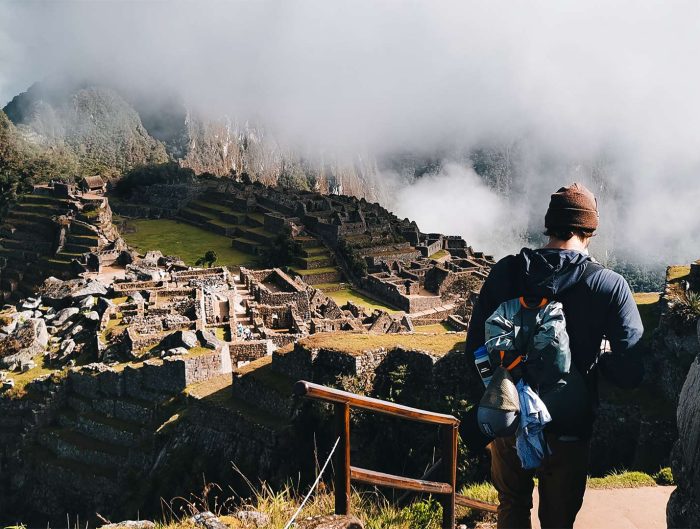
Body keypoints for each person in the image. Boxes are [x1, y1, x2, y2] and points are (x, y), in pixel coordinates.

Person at [464, 182, 644, 529]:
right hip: (569, 429)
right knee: (558, 521)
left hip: (510, 421)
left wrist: (506, 386)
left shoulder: (506, 271)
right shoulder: (609, 285)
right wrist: (598, 358)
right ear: (590, 227)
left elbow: (475, 350)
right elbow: (631, 371)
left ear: (549, 224)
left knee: (512, 507)